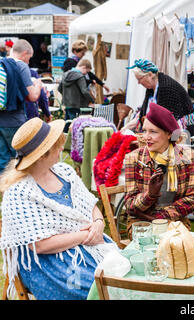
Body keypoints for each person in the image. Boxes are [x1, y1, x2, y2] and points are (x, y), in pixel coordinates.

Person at [0, 117, 118, 300]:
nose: (61, 149)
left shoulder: (65, 172)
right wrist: (84, 236)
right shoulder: (17, 193)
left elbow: (90, 204)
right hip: (49, 263)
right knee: (102, 288)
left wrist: (98, 222)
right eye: (56, 146)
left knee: (120, 276)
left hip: (87, 245)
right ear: (42, 155)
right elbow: (39, 245)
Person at [123, 102, 194, 237]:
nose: (146, 137)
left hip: (175, 220)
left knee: (175, 245)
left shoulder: (187, 156)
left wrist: (162, 216)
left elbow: (193, 197)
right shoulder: (134, 158)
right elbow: (130, 206)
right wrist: (150, 195)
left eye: (153, 131)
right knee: (150, 245)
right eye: (144, 130)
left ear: (169, 134)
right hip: (141, 222)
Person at [0, 39, 43, 173]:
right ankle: (18, 187)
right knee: (20, 156)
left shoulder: (1, 64)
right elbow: (32, 96)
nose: (29, 62)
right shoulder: (21, 66)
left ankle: (4, 189)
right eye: (29, 58)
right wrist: (38, 85)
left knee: (2, 157)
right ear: (25, 53)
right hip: (14, 120)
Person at [121, 59, 194, 134]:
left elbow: (167, 119)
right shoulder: (150, 88)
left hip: (184, 129)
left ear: (150, 74)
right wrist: (125, 127)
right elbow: (144, 114)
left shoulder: (166, 87)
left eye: (139, 79)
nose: (138, 83)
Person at [59, 59, 95, 132]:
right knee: (75, 127)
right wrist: (92, 100)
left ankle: (63, 140)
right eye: (87, 71)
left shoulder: (65, 74)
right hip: (77, 104)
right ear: (84, 67)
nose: (86, 74)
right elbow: (84, 91)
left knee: (67, 124)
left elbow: (59, 88)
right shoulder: (80, 76)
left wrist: (66, 96)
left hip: (67, 104)